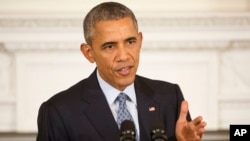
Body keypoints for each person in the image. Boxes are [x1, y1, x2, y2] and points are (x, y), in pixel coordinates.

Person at [36, 1, 206, 141]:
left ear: (140, 41)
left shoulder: (170, 98)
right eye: (109, 46)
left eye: (130, 42)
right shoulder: (58, 112)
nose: (123, 56)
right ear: (89, 53)